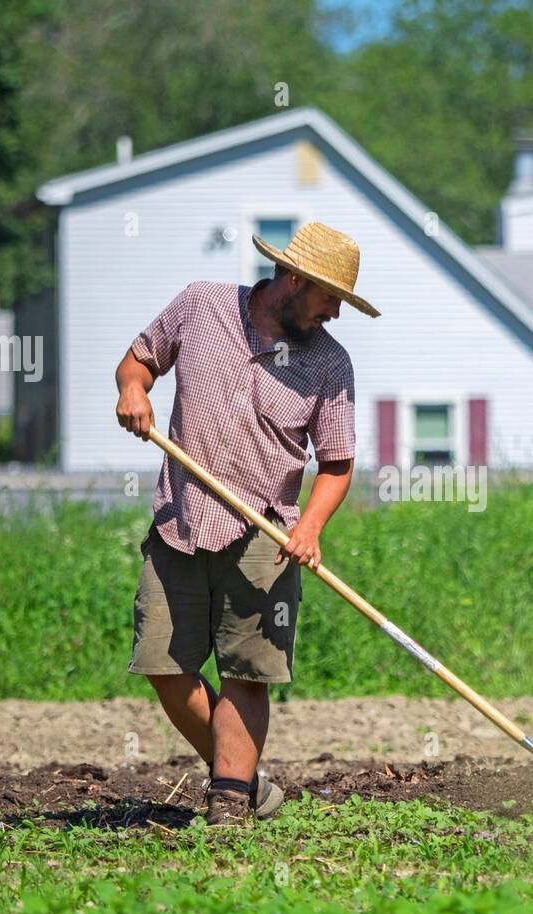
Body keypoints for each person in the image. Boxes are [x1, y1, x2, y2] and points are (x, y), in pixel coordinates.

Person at [113, 222, 379, 825]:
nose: (336, 313)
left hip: (267, 533)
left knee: (246, 672)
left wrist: (310, 527)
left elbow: (337, 463)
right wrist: (134, 392)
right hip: (179, 518)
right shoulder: (201, 305)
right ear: (296, 280)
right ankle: (248, 779)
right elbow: (138, 362)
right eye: (332, 297)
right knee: (164, 665)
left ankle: (229, 801)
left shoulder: (331, 365)